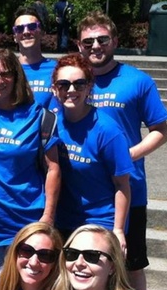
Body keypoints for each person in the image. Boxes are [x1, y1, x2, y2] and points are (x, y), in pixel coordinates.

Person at [77, 10, 167, 290]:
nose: (95, 46)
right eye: (88, 41)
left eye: (102, 39)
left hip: (129, 190)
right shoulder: (72, 82)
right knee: (81, 262)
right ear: (79, 45)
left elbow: (160, 131)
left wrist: (126, 155)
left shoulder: (138, 81)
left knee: (131, 263)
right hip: (81, 193)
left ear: (114, 41)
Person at [0, 47, 61, 272]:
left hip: (24, 227)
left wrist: (48, 216)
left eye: (6, 74)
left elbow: (53, 169)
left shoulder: (39, 116)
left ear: (17, 76)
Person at [52, 54, 132, 249]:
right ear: (54, 90)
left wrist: (118, 230)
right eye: (64, 84)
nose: (71, 90)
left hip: (99, 222)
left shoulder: (107, 130)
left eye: (79, 84)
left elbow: (122, 185)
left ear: (89, 87)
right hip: (61, 221)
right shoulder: (50, 122)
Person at [13, 5, 56, 106]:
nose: (26, 32)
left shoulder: (57, 69)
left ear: (41, 32)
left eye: (32, 27)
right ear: (15, 37)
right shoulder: (8, 70)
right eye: (19, 29)